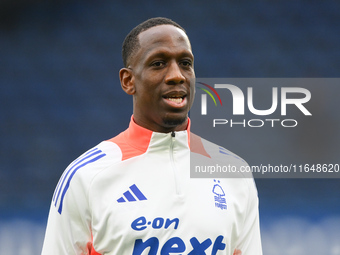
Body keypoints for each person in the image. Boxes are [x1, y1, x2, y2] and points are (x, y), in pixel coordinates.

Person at [41, 17, 262, 255]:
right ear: (128, 81)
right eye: (158, 64)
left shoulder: (235, 173)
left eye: (186, 63)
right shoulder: (86, 177)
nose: (177, 75)